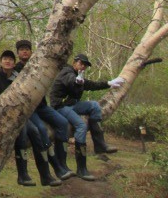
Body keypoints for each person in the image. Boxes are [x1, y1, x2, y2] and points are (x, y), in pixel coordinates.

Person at [0, 50, 60, 189]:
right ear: (1, 62)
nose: (8, 61)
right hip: (1, 116)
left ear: (14, 63)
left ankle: (45, 175)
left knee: (36, 132)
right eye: (5, 59)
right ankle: (23, 174)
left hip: (19, 114)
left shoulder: (18, 78)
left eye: (10, 59)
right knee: (23, 131)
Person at [50, 53, 125, 181]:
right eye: (81, 63)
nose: (82, 67)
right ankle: (82, 168)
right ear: (75, 62)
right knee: (81, 125)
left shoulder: (79, 76)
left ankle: (100, 144)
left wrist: (109, 83)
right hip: (60, 106)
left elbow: (91, 85)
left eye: (85, 65)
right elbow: (69, 80)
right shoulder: (67, 71)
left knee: (94, 106)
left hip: (73, 105)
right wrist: (76, 80)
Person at [14, 39, 74, 181]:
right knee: (41, 130)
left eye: (27, 49)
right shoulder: (16, 69)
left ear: (31, 52)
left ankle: (62, 163)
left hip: (42, 106)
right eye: (21, 49)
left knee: (63, 123)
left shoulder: (37, 66)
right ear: (18, 53)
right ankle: (54, 168)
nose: (24, 51)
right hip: (30, 109)